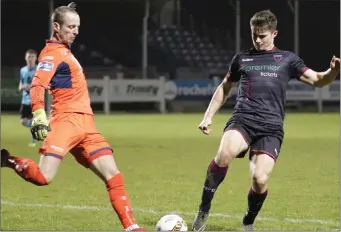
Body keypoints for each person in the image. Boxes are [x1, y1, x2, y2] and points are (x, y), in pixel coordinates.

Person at [191, 9, 340, 231]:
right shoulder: (241, 58)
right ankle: (203, 210)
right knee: (223, 155)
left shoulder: (288, 59)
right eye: (254, 35)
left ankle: (248, 222)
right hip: (243, 119)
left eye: (263, 36)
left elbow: (318, 79)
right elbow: (225, 87)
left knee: (259, 180)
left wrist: (333, 71)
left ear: (274, 33)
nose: (258, 40)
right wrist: (208, 116)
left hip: (271, 127)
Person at [1, 2, 144, 231]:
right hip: (65, 122)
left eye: (77, 26)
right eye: (71, 27)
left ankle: (132, 228)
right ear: (56, 27)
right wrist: (38, 115)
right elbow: (37, 85)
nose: (76, 31)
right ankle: (8, 159)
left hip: (87, 124)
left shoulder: (65, 51)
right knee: (43, 177)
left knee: (114, 176)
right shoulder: (51, 54)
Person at [19, 49, 38, 147]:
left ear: (35, 58)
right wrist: (21, 87)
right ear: (25, 58)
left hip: (35, 100)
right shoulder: (22, 70)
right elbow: (21, 82)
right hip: (25, 100)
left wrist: (30, 86)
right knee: (23, 121)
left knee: (33, 119)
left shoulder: (38, 69)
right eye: (28, 57)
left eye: (32, 57)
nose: (30, 59)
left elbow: (40, 84)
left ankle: (34, 140)